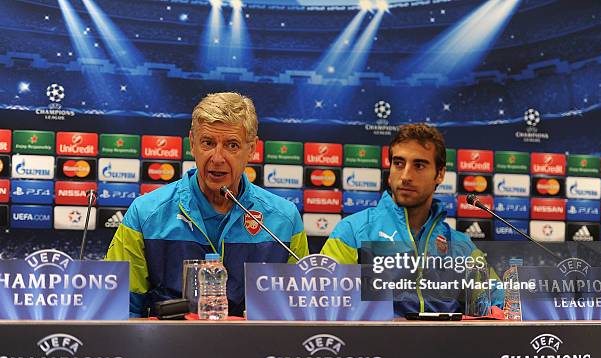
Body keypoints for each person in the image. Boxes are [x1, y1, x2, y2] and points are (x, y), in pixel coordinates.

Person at [106, 92, 309, 317]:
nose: (218, 158)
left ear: (251, 149)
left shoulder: (284, 220)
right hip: (167, 348)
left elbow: (297, 314)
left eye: (232, 145)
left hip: (254, 348)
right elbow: (118, 311)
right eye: (208, 143)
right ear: (193, 144)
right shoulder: (145, 213)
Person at [320, 124, 502, 315]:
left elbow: (498, 302)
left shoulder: (462, 247)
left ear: (439, 174)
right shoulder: (352, 232)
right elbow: (325, 306)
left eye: (419, 165)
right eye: (398, 163)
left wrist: (500, 308)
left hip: (444, 345)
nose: (406, 176)